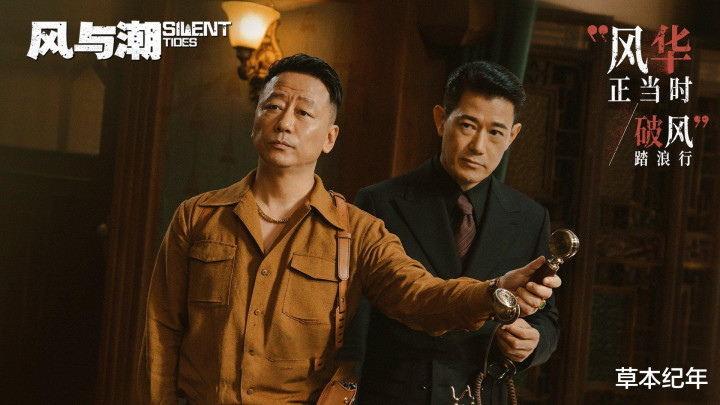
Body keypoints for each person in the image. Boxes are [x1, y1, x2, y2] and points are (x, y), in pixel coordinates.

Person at [137, 54, 560, 405]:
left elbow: (421, 296)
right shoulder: (197, 216)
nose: (284, 123)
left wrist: (494, 290)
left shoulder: (357, 231)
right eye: (273, 107)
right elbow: (162, 333)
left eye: (304, 113)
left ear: (330, 137)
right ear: (255, 120)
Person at [339, 61, 560, 404]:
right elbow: (352, 319)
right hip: (395, 394)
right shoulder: (379, 202)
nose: (478, 146)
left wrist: (533, 343)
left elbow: (547, 319)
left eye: (495, 132)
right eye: (468, 126)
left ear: (513, 136)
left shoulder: (531, 217)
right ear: (441, 120)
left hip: (482, 393)